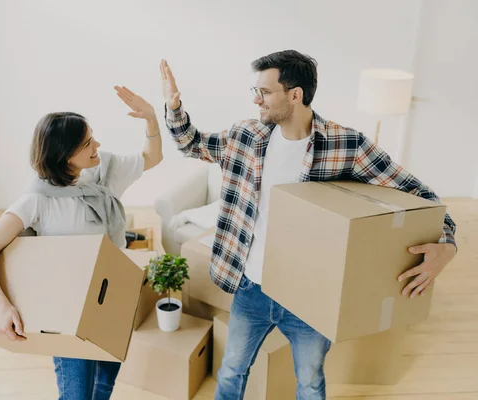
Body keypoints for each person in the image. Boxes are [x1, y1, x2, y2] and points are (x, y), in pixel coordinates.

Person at [159, 52, 457, 400]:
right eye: (255, 90)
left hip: (311, 299)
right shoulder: (246, 136)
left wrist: (447, 243)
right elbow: (192, 143)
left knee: (311, 381)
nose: (256, 99)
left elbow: (420, 194)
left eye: (265, 92)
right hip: (251, 289)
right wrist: (173, 106)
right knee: (231, 372)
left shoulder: (346, 144)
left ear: (295, 94)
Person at [0, 86, 162, 400]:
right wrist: (1, 307)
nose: (97, 145)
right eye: (87, 143)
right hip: (68, 310)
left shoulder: (103, 172)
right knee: (76, 396)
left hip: (113, 298)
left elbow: (151, 157)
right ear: (64, 155)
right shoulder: (37, 199)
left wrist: (151, 118)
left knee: (104, 386)